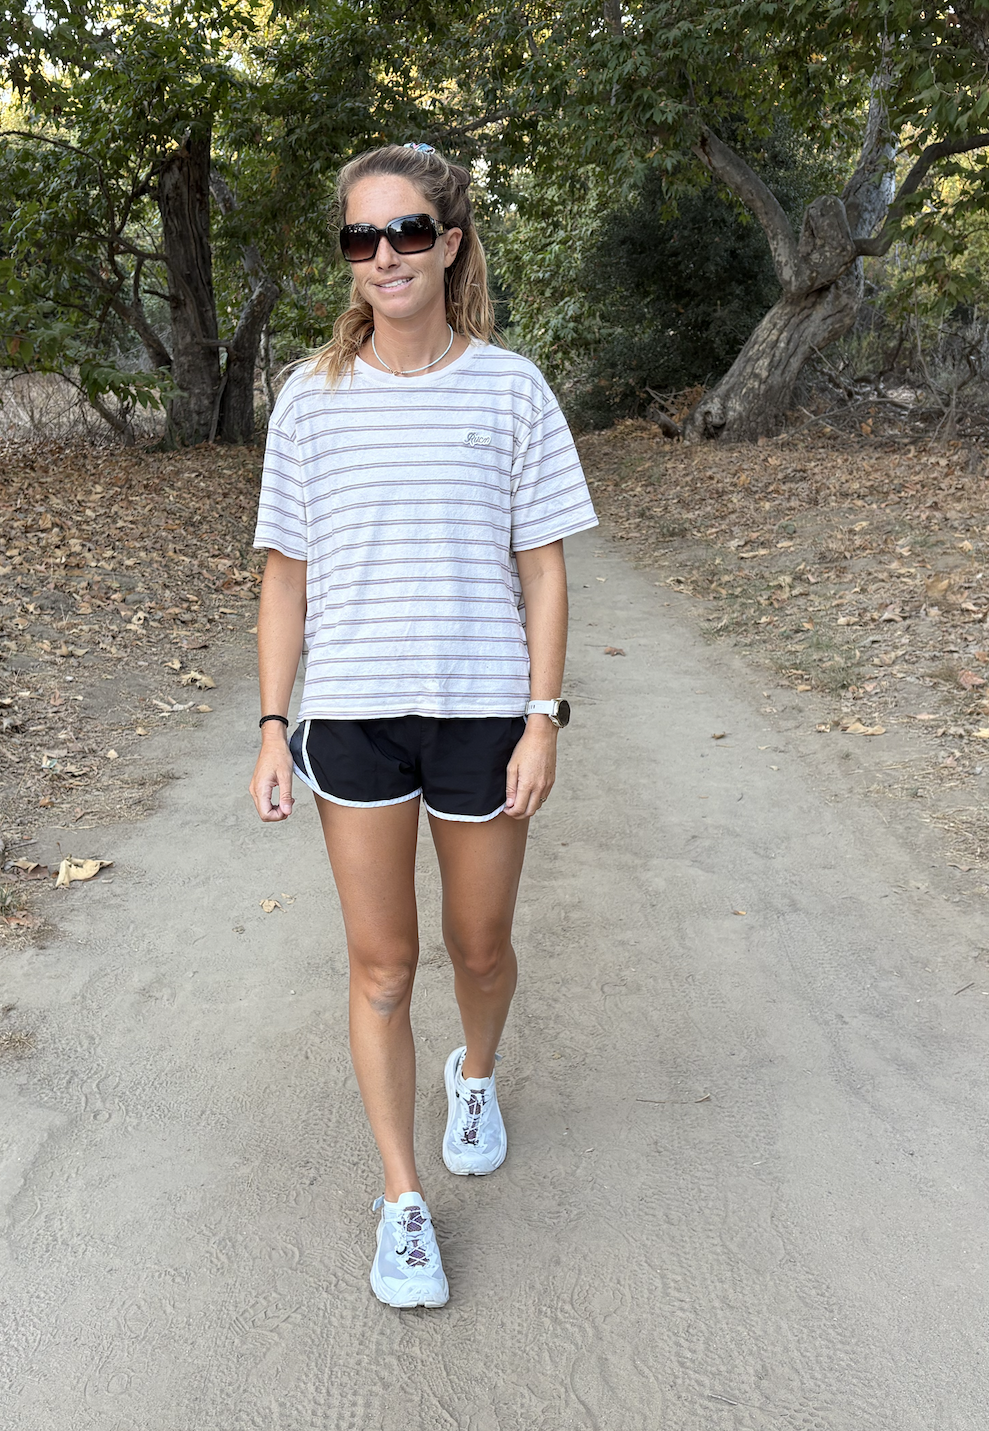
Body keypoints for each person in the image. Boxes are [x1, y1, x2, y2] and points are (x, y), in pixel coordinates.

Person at [247, 143, 596, 1309]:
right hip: (352, 719)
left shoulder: (510, 387)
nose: (382, 255)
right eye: (361, 237)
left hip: (483, 714)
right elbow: (284, 579)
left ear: (449, 244)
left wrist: (542, 719)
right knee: (383, 965)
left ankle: (477, 1076)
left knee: (480, 948)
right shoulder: (308, 399)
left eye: (405, 233)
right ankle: (402, 1199)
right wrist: (269, 724)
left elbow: (542, 571)